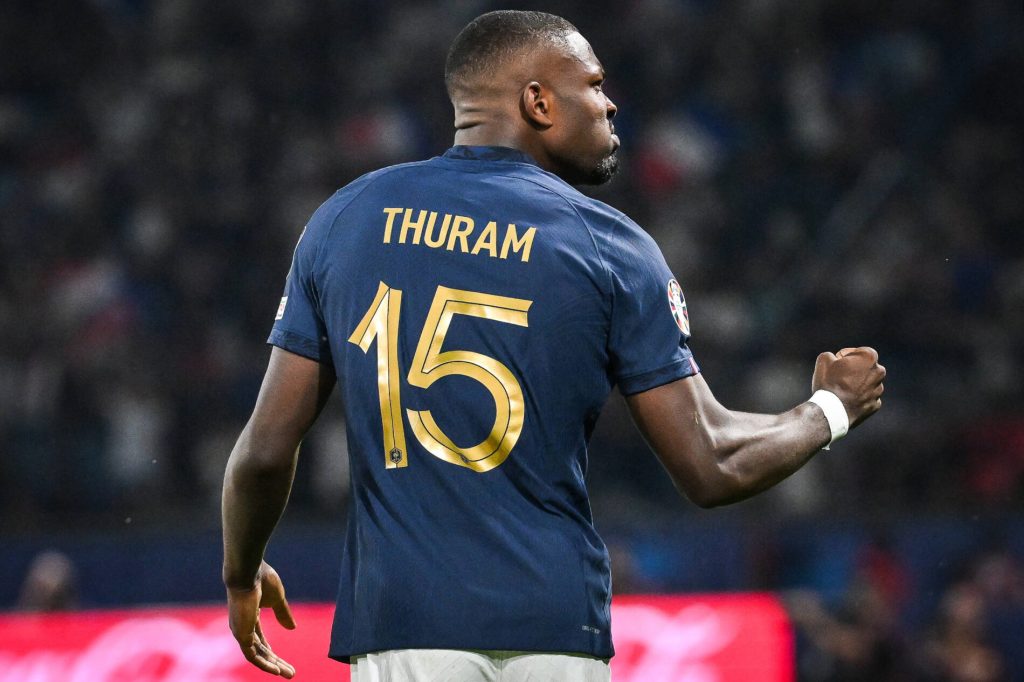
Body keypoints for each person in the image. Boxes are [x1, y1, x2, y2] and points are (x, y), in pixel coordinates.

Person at [221, 10, 886, 681]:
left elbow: (266, 451)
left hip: (408, 622)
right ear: (537, 102)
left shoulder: (346, 220)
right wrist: (831, 409)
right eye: (593, 84)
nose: (610, 103)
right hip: (557, 630)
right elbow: (712, 463)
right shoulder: (609, 246)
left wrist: (241, 572)